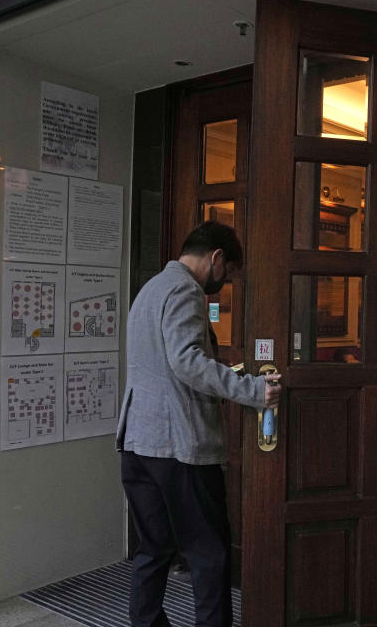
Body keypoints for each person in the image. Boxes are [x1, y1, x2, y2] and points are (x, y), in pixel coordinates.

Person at [115, 221, 281, 627]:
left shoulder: (151, 289)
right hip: (179, 447)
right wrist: (253, 391)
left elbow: (164, 362)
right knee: (209, 554)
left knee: (154, 548)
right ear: (216, 258)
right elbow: (187, 362)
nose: (224, 284)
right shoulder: (185, 290)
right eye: (229, 273)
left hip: (137, 443)